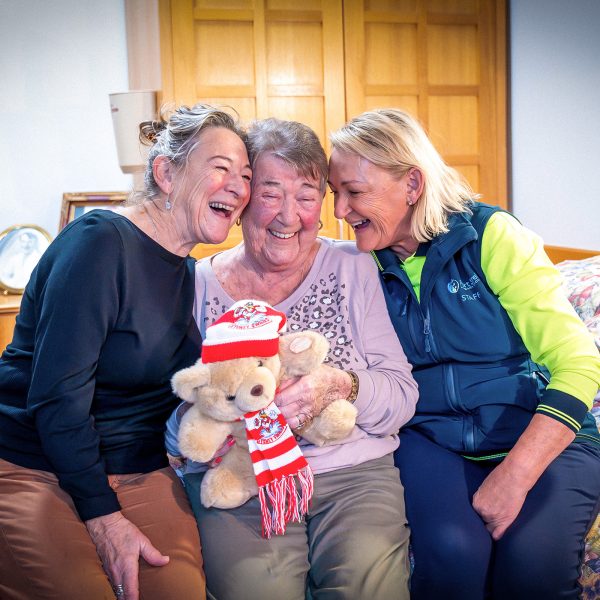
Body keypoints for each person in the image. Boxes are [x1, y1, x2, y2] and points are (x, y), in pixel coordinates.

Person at [328, 107, 600, 599]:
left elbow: (579, 362)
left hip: (535, 432)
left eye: (354, 192)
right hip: (430, 437)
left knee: (531, 568)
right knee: (453, 554)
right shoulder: (361, 264)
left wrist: (515, 475)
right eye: (335, 193)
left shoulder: (490, 236)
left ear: (412, 184)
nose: (340, 211)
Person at [0, 103, 252, 600]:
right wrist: (103, 516)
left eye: (245, 175)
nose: (239, 187)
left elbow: (167, 393)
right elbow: (56, 400)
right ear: (165, 173)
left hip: (136, 467)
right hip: (33, 463)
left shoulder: (184, 270)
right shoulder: (100, 245)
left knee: (176, 590)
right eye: (220, 168)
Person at [165, 117, 419, 599]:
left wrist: (340, 385)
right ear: (241, 200)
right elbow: (172, 423)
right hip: (240, 479)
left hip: (351, 474)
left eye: (306, 196)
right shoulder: (194, 283)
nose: (288, 215)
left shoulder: (352, 266)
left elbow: (402, 396)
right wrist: (222, 411)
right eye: (270, 193)